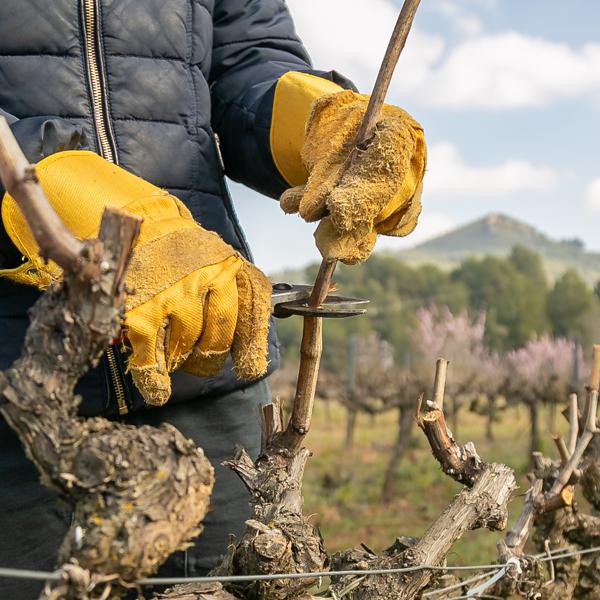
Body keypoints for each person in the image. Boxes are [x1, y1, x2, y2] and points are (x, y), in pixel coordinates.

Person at [0, 1, 426, 598]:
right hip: (18, 402)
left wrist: (322, 124)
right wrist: (86, 207)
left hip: (211, 361)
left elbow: (247, 60)